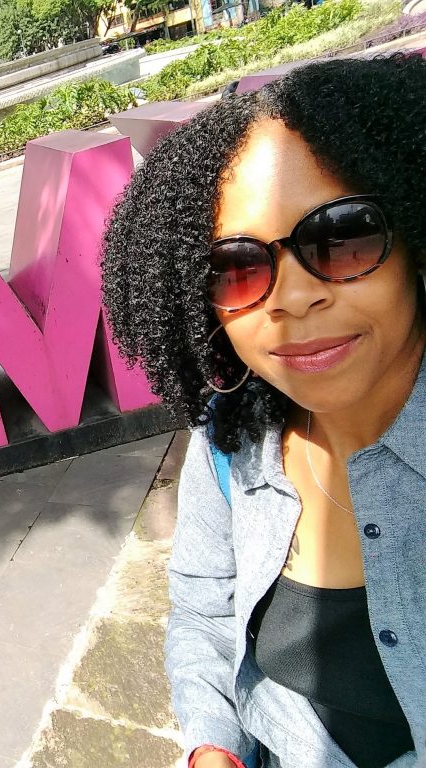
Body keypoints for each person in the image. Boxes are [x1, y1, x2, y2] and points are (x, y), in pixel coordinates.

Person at [99, 54, 426, 768]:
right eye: (239, 267)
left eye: (341, 237)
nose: (292, 297)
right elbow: (202, 608)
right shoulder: (232, 438)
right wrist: (211, 743)